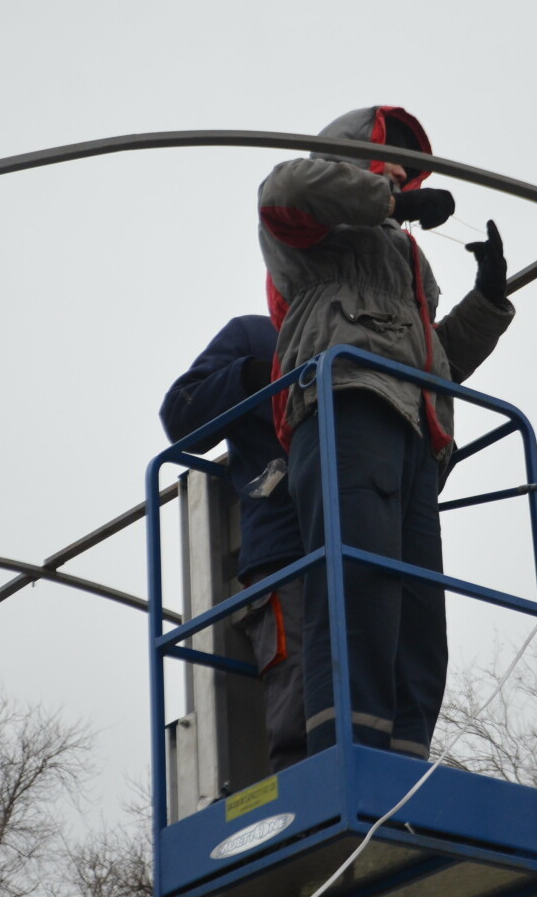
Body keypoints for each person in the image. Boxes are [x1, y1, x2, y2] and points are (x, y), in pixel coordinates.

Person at [257, 105, 514, 759]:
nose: (402, 171)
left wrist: (487, 298)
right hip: (347, 407)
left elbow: (437, 362)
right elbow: (282, 189)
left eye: (409, 163)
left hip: (416, 437)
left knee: (420, 613)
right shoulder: (313, 229)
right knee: (360, 585)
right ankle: (349, 748)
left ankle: (405, 753)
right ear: (355, 159)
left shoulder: (408, 263)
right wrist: (384, 196)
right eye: (388, 156)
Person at [159, 315, 307, 773]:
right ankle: (304, 808)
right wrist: (251, 375)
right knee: (302, 690)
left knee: (380, 688)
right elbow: (181, 415)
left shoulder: (382, 339)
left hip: (373, 548)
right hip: (288, 554)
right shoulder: (259, 335)